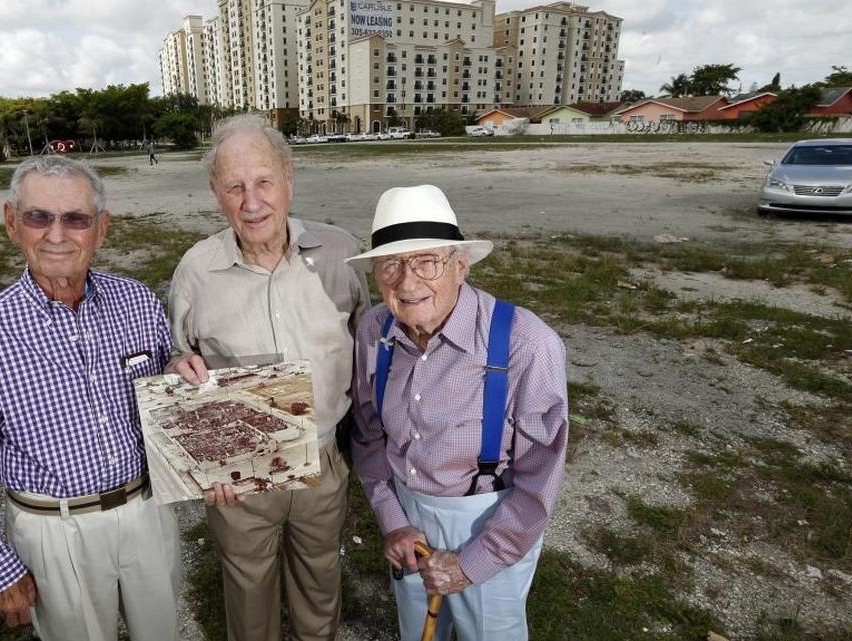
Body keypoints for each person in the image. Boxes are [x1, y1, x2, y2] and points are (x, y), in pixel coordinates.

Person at [0, 155, 181, 641]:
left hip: (146, 511)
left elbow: (168, 397)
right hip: (55, 531)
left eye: (76, 219)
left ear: (101, 229)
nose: (56, 234)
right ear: (11, 223)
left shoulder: (138, 302)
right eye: (38, 216)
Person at [166, 113, 369, 641]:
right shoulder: (196, 270)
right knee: (248, 591)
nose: (251, 202)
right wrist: (177, 371)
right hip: (240, 475)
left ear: (289, 180)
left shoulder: (340, 253)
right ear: (215, 192)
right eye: (234, 186)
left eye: (263, 182)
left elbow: (367, 344)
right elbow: (179, 357)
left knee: (320, 583)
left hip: (323, 462)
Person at [348, 185, 568, 641]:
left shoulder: (527, 344)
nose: (407, 283)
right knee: (418, 632)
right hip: (410, 517)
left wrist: (473, 563)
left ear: (461, 265)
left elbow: (539, 482)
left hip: (492, 522)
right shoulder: (374, 330)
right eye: (391, 264)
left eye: (427, 261)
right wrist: (393, 521)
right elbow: (368, 436)